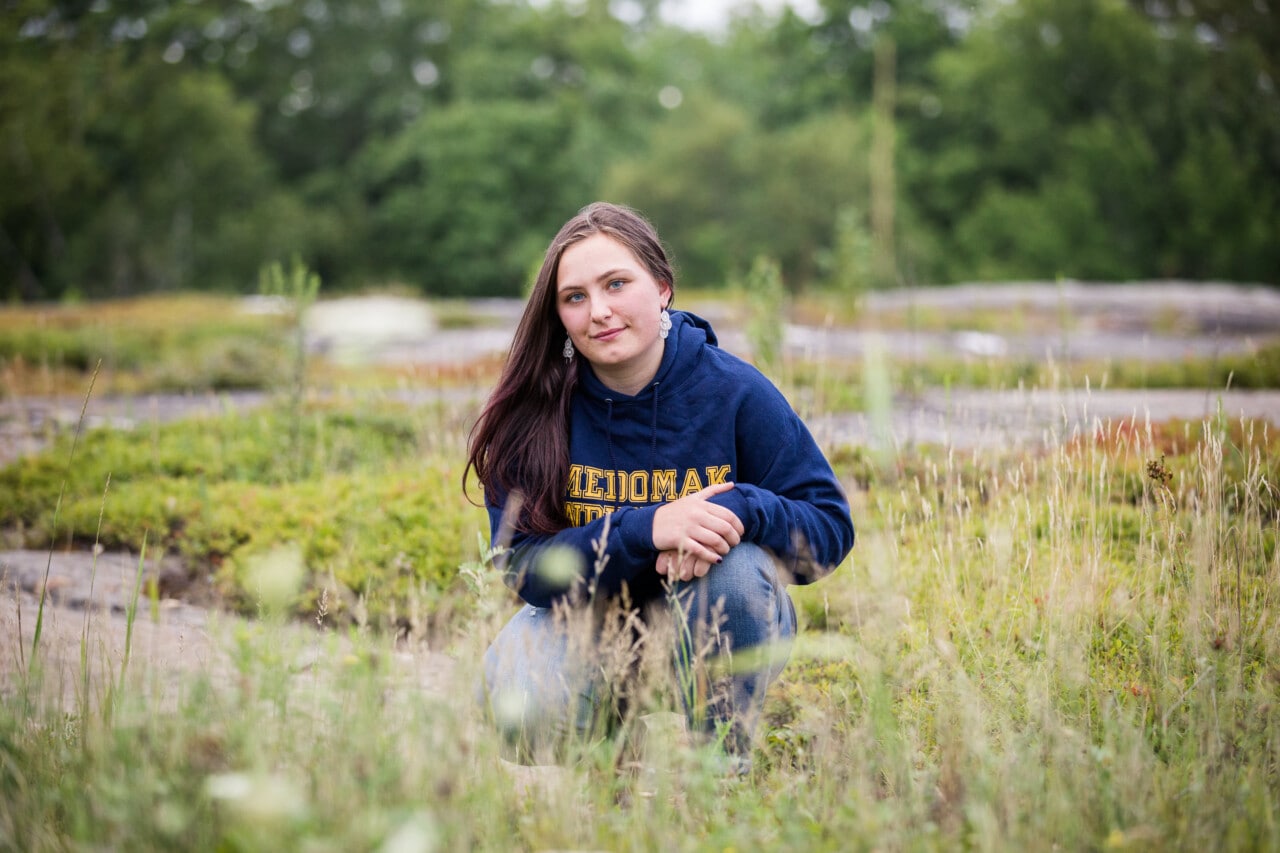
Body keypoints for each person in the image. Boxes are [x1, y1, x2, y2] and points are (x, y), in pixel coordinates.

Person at [465, 201, 854, 767]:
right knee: (519, 714)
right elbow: (522, 564)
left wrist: (739, 510)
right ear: (559, 315)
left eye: (616, 284)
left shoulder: (735, 393)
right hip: (588, 628)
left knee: (739, 572)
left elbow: (829, 527)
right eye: (575, 297)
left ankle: (719, 764)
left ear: (663, 288)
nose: (599, 311)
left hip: (711, 620)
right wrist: (649, 528)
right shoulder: (533, 413)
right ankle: (616, 739)